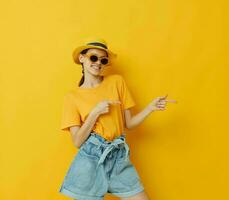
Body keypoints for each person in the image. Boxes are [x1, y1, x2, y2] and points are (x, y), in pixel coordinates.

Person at [58, 38, 177, 200]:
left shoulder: (116, 82)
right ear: (82, 58)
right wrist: (95, 113)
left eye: (103, 60)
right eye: (93, 57)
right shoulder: (72, 97)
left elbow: (129, 124)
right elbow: (77, 141)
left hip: (118, 155)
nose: (98, 63)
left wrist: (150, 108)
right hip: (91, 158)